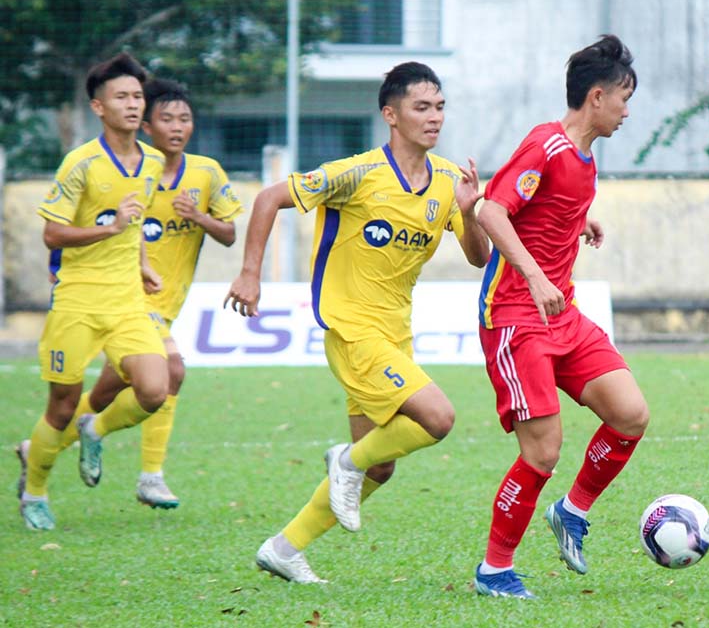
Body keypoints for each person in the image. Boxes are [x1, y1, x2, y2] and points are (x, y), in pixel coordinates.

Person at [224, 62, 490, 583]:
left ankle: (284, 547)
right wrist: (250, 274)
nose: (434, 117)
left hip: (396, 333)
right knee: (437, 418)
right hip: (351, 330)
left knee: (382, 465)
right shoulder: (357, 173)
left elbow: (478, 257)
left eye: (439, 107)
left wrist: (471, 210)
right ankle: (344, 461)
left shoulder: (449, 181)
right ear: (391, 115)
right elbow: (268, 198)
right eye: (421, 107)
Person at [472, 35, 649, 599]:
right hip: (515, 316)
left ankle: (571, 512)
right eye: (623, 97)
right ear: (596, 97)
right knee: (542, 451)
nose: (627, 110)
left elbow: (546, 207)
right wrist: (533, 275)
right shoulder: (544, 145)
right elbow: (492, 210)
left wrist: (581, 221)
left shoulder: (583, 156)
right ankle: (494, 570)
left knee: (630, 414)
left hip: (562, 315)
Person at [42, 78, 244, 510]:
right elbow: (87, 224)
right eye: (166, 119)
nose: (177, 127)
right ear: (147, 126)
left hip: (167, 303)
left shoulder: (206, 173)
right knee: (171, 370)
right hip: (123, 300)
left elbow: (229, 234)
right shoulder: (127, 173)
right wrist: (61, 269)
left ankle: (41, 448)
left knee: (102, 399)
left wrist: (200, 217)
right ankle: (151, 475)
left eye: (185, 119)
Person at [15, 53, 169, 531]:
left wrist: (143, 265)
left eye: (138, 96)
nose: (132, 104)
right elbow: (52, 235)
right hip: (77, 302)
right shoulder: (80, 163)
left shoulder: (154, 161)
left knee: (154, 390)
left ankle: (96, 427)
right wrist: (109, 230)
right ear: (98, 107)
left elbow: (135, 225)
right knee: (61, 405)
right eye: (121, 96)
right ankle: (35, 491)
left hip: (126, 302)